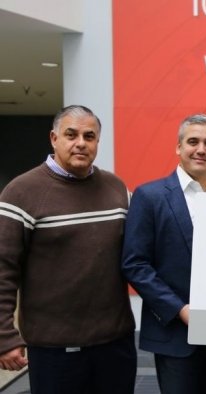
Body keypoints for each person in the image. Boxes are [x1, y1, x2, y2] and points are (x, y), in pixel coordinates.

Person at [0, 105, 137, 393]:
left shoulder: (115, 188)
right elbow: (3, 270)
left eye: (89, 136)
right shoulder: (20, 191)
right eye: (71, 135)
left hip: (115, 344)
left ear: (97, 142)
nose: (80, 143)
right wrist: (5, 336)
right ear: (54, 138)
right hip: (54, 350)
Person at [121, 114, 206, 393]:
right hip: (174, 332)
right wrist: (180, 310)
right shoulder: (149, 196)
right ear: (178, 147)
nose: (201, 149)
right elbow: (135, 264)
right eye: (193, 141)